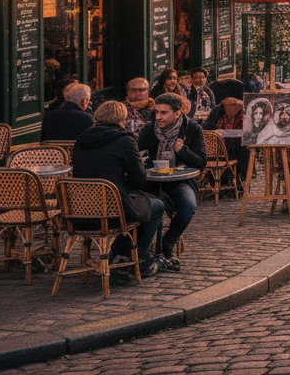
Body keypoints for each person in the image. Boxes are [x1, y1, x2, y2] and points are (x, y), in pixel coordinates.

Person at [72, 100, 162, 281]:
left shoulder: (82, 140)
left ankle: (120, 252)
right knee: (157, 205)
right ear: (123, 118)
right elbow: (140, 179)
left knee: (139, 204)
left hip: (80, 212)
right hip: (113, 210)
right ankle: (137, 256)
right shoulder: (124, 140)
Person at [137, 94, 206, 271]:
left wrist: (183, 151)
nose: (158, 117)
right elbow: (139, 158)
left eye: (164, 113)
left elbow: (201, 163)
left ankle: (169, 241)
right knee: (141, 205)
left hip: (180, 180)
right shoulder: (148, 130)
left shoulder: (192, 129)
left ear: (177, 113)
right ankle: (141, 251)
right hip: (151, 182)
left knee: (187, 206)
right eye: (156, 112)